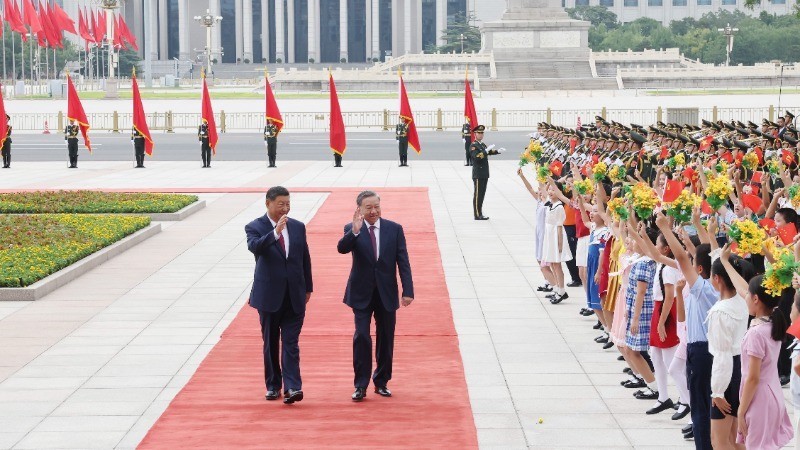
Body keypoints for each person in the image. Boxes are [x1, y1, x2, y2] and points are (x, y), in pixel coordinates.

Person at [337, 190, 414, 402]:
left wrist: (408, 290)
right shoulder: (352, 228)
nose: (373, 211)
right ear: (359, 209)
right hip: (361, 292)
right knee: (361, 336)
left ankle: (381, 382)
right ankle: (360, 385)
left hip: (386, 292)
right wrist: (354, 231)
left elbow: (403, 261)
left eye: (376, 207)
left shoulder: (394, 229)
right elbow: (341, 249)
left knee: (386, 338)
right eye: (368, 207)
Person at [245, 186, 313, 405]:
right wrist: (274, 233)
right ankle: (273, 385)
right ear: (268, 203)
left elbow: (305, 259)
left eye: (288, 203)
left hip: (295, 295)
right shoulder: (255, 226)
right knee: (271, 342)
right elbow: (255, 247)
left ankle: (293, 386)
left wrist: (308, 287)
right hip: (269, 296)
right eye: (281, 203)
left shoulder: (298, 227)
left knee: (291, 342)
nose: (286, 207)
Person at [470, 125, 501, 220]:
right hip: (478, 173)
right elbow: (477, 157)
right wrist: (485, 151)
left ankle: (480, 212)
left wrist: (497, 151)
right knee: (478, 194)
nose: (481, 134)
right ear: (475, 134)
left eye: (482, 133)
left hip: (484, 172)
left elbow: (489, 152)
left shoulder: (482, 144)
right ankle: (477, 214)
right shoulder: (473, 146)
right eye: (479, 133)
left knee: (482, 194)